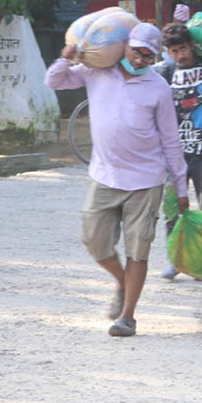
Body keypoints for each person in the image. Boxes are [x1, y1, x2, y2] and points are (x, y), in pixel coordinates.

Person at [45, 23, 189, 338]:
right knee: (94, 241)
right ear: (125, 45)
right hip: (104, 175)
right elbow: (53, 80)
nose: (140, 61)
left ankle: (127, 317)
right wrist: (66, 58)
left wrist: (180, 186)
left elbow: (170, 140)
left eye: (148, 57)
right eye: (137, 53)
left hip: (146, 180)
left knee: (138, 250)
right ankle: (123, 281)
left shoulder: (157, 87)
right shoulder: (95, 71)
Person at [156, 23, 202, 281]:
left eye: (183, 48)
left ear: (192, 45)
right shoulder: (165, 72)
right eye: (174, 50)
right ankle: (175, 260)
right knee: (172, 206)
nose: (181, 54)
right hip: (175, 153)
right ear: (169, 52)